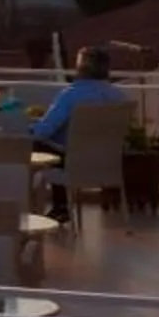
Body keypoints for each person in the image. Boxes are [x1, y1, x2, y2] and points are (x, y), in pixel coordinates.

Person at [31, 48, 134, 217]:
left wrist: (26, 128)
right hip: (107, 164)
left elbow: (43, 131)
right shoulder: (121, 97)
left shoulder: (71, 95)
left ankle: (54, 207)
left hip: (72, 163)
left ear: (81, 68)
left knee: (34, 144)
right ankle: (60, 208)